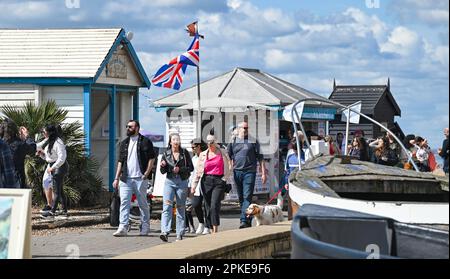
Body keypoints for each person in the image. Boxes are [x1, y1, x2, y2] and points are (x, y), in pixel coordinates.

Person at [112, 120, 155, 237]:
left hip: (140, 178)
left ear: (137, 128)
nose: (128, 128)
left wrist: (146, 173)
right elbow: (120, 161)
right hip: (126, 178)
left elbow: (152, 158)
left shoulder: (146, 142)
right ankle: (123, 227)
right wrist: (116, 178)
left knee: (142, 203)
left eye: (130, 127)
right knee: (124, 202)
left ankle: (145, 226)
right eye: (127, 126)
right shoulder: (124, 143)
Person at [227, 121, 266, 229]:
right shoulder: (233, 141)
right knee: (241, 198)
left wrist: (263, 173)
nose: (245, 130)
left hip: (249, 172)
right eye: (243, 128)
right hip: (237, 172)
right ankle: (248, 218)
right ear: (238, 129)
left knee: (247, 196)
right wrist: (230, 167)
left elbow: (261, 157)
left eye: (247, 128)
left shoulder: (253, 141)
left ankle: (243, 220)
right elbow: (228, 156)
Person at [192, 134, 231, 234]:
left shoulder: (223, 152)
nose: (209, 144)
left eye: (212, 142)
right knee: (208, 206)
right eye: (208, 142)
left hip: (219, 181)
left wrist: (225, 179)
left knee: (214, 205)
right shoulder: (203, 154)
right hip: (206, 181)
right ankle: (208, 226)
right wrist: (194, 185)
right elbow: (198, 171)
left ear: (216, 142)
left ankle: (215, 229)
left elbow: (230, 165)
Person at [159, 133, 194, 242]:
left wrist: (180, 169)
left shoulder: (185, 153)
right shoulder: (166, 153)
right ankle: (165, 231)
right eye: (173, 139)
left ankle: (180, 233)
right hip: (169, 181)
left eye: (177, 139)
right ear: (170, 142)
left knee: (180, 207)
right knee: (167, 206)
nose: (176, 141)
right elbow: (162, 172)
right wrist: (162, 166)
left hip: (182, 182)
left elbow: (191, 168)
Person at [39, 125, 69, 218]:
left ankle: (52, 211)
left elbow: (62, 158)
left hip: (60, 167)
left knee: (56, 190)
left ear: (50, 132)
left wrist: (53, 168)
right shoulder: (50, 141)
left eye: (44, 132)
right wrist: (41, 155)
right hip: (53, 166)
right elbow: (49, 158)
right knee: (60, 189)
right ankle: (64, 210)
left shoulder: (58, 142)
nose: (43, 134)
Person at [0, 119, 36, 189]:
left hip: (2, 180)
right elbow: (32, 148)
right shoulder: (20, 144)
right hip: (17, 179)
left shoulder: (2, 144)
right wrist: (27, 137)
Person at [188, 138, 209, 235]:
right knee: (196, 204)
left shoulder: (206, 156)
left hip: (206, 183)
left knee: (207, 205)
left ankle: (207, 226)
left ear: (199, 146)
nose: (192, 149)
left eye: (193, 147)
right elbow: (192, 173)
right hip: (196, 185)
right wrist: (190, 185)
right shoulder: (193, 158)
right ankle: (201, 222)